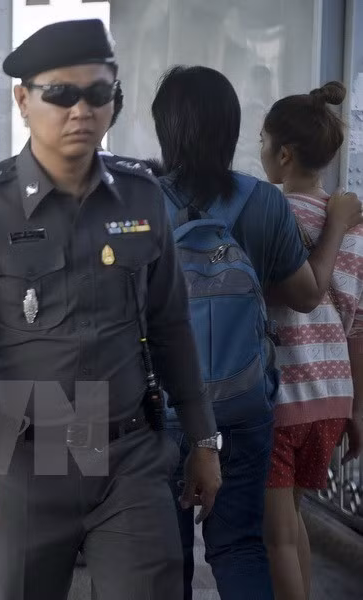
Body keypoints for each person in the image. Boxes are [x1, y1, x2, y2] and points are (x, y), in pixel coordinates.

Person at [0, 20, 223, 599]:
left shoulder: (141, 196)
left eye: (98, 93)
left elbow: (170, 326)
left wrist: (203, 439)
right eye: (61, 94)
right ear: (22, 99)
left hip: (129, 458)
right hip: (24, 462)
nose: (80, 110)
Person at [150, 65, 363, 600]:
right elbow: (308, 294)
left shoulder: (142, 203)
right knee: (244, 546)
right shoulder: (264, 203)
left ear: (165, 130)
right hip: (246, 403)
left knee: (164, 551)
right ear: (232, 130)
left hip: (167, 405)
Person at [259, 81, 363, 600]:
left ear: (282, 154)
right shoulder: (353, 227)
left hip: (285, 398)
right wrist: (358, 410)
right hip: (332, 400)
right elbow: (359, 327)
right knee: (293, 521)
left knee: (274, 535)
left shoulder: (271, 216)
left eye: (262, 143)